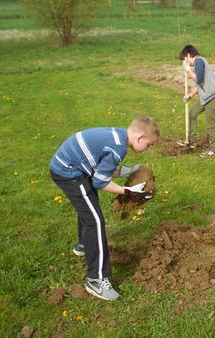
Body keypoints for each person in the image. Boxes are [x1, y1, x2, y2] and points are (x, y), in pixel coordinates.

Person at [50, 116, 159, 300]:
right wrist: (129, 192)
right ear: (140, 137)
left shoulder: (118, 136)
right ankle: (96, 279)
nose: (149, 148)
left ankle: (83, 245)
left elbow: (103, 166)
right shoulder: (119, 147)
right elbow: (100, 182)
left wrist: (127, 171)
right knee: (95, 221)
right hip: (69, 172)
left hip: (71, 167)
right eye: (149, 145)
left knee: (89, 209)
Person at [176, 45, 215, 157]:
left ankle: (214, 148)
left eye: (184, 60)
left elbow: (199, 79)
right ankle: (192, 141)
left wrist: (188, 70)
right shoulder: (197, 65)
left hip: (213, 97)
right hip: (205, 97)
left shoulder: (199, 62)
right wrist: (190, 95)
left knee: (209, 123)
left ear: (188, 55)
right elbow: (198, 85)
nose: (186, 62)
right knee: (192, 114)